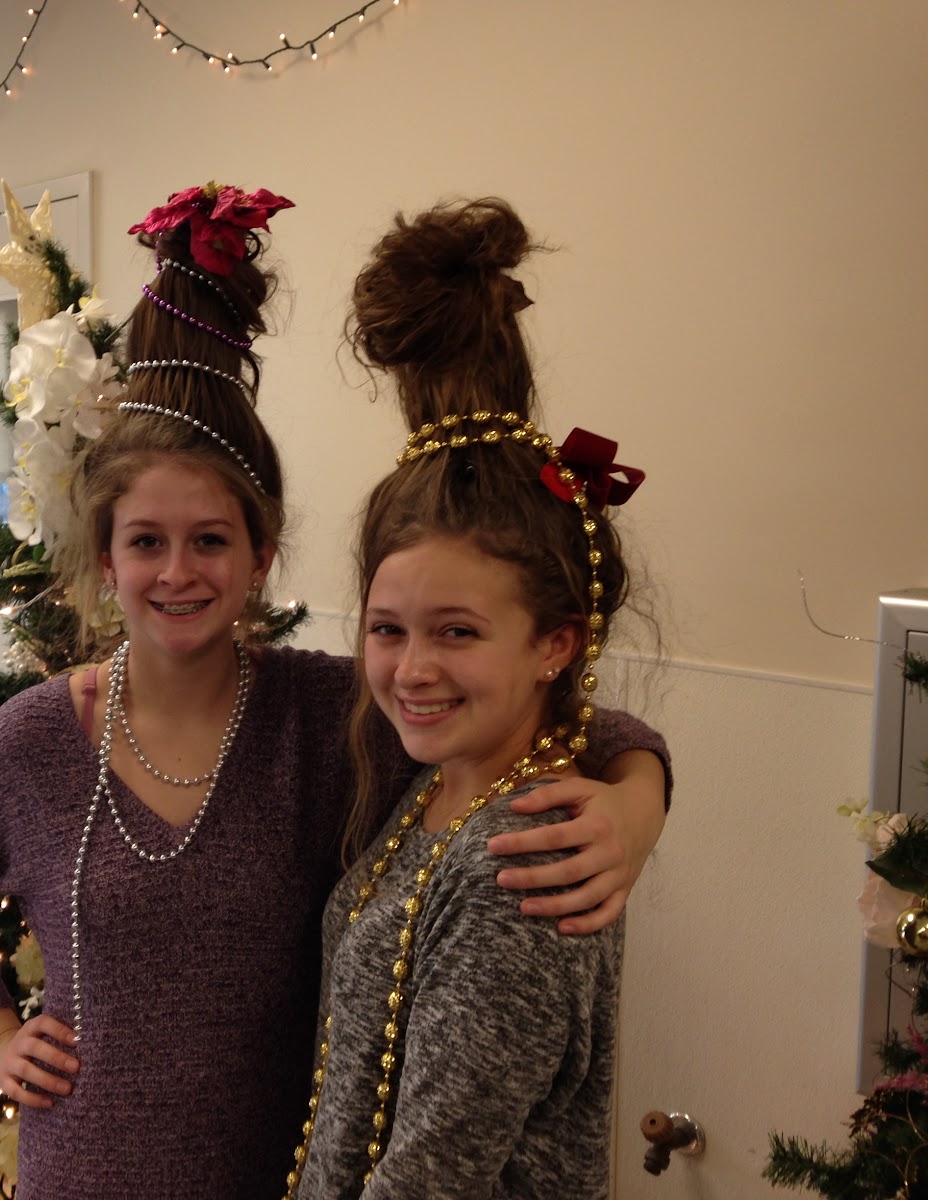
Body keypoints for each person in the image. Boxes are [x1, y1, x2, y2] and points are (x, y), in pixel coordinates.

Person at [0, 184, 667, 1200]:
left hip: (281, 1172)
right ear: (107, 560)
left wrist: (637, 798)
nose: (178, 572)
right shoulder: (36, 739)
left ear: (260, 556)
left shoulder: (333, 717)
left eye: (211, 540)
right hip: (86, 1169)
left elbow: (549, 716)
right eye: (145, 542)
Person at [288, 197, 647, 1200]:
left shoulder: (518, 867)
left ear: (554, 644)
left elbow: (428, 1178)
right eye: (386, 629)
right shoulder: (444, 785)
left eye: (456, 632)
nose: (411, 670)